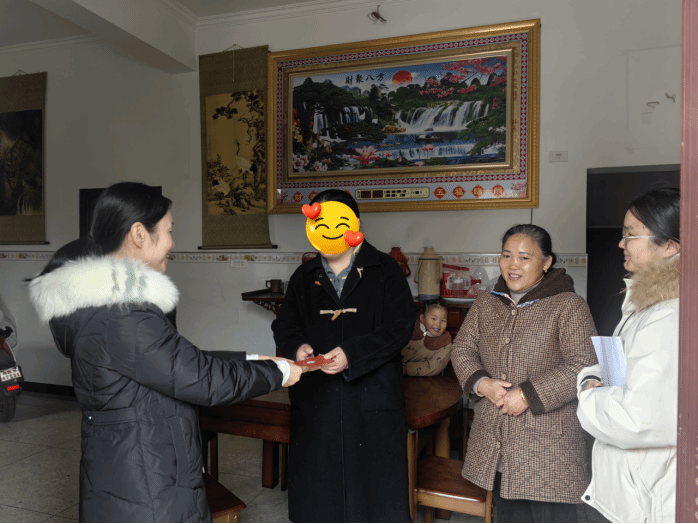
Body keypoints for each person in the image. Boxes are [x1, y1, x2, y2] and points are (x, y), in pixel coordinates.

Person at [28, 182, 303, 523]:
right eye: (169, 230)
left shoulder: (108, 303)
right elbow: (201, 380)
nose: (173, 243)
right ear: (139, 234)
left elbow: (172, 361)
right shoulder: (121, 312)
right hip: (145, 486)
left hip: (132, 468)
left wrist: (251, 359)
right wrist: (280, 373)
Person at [272, 189, 415, 523]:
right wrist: (298, 347)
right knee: (319, 495)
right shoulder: (304, 276)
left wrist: (352, 354)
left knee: (375, 498)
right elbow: (285, 325)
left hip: (372, 397)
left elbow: (400, 327)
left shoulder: (385, 270)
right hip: (316, 399)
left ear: (355, 226)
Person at [452, 224, 598, 523]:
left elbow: (583, 363)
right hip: (498, 444)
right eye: (506, 256)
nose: (513, 265)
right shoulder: (486, 303)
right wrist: (482, 384)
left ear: (546, 262)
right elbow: (461, 349)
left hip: (550, 451)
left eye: (524, 257)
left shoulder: (569, 305)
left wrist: (527, 395)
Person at [577, 187, 680, 523]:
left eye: (631, 234)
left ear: (670, 245)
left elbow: (632, 419)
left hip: (644, 500)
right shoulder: (645, 303)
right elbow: (613, 371)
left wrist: (587, 392)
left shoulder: (669, 315)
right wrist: (596, 378)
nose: (621, 243)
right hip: (628, 489)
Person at [401, 298, 452, 376]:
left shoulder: (445, 343)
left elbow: (434, 367)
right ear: (422, 318)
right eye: (434, 318)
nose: (438, 324)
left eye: (443, 320)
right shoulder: (410, 328)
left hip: (428, 380)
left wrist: (406, 369)